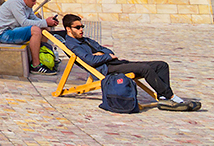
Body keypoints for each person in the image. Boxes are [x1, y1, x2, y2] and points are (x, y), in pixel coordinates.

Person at [62, 14, 200, 111]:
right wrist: (107, 57)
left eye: (82, 26)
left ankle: (163, 96)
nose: (81, 30)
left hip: (115, 63)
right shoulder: (73, 45)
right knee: (145, 69)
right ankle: (172, 98)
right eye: (77, 27)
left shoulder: (86, 40)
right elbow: (91, 60)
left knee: (161, 65)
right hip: (107, 68)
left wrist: (103, 54)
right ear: (68, 29)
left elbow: (106, 50)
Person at [0, 0, 58, 75]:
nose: (35, 3)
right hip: (5, 34)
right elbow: (24, 23)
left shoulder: (27, 5)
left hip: (15, 30)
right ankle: (36, 66)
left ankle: (44, 58)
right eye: (33, 1)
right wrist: (44, 22)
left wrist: (48, 22)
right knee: (35, 30)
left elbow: (34, 19)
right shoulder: (15, 3)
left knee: (44, 28)